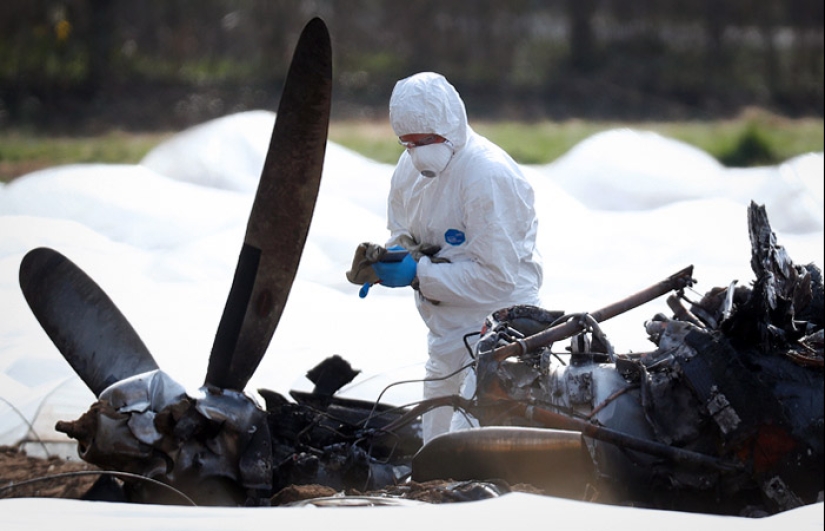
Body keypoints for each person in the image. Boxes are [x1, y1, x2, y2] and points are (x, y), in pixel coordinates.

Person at [358, 72, 543, 444]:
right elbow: (402, 229)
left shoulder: (486, 175)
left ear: (451, 127)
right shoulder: (407, 169)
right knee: (436, 449)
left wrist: (418, 274)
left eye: (426, 141)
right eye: (407, 143)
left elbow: (498, 278)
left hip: (501, 336)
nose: (416, 151)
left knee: (476, 453)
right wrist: (390, 258)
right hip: (445, 336)